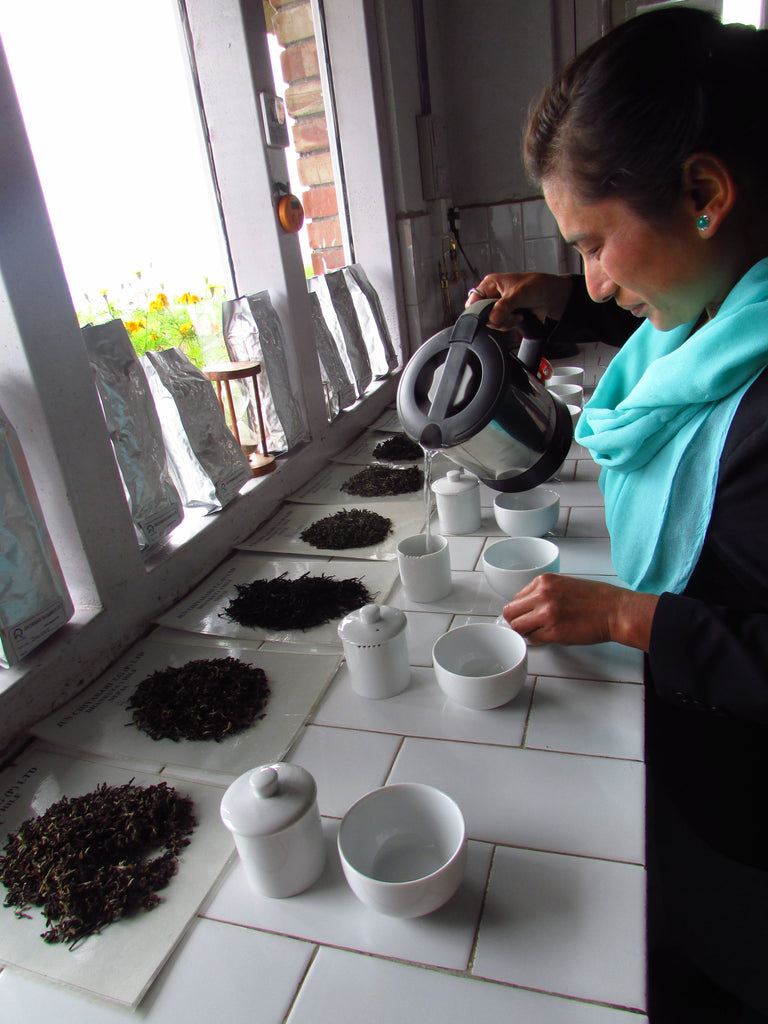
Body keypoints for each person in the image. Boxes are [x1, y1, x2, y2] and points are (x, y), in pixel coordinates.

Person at [469, 9, 768, 1022]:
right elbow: (685, 313)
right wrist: (565, 293)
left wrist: (627, 615)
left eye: (595, 244)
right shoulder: (730, 308)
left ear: (704, 192)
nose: (599, 276)